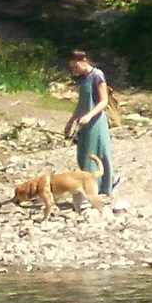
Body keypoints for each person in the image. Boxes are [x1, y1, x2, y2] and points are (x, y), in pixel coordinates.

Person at [63, 50, 120, 198]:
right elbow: (81, 104)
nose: (74, 70)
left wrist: (89, 115)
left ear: (83, 61)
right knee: (83, 155)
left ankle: (104, 185)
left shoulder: (97, 76)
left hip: (96, 121)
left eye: (75, 66)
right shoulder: (83, 79)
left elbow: (103, 101)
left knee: (97, 153)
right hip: (84, 122)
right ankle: (93, 186)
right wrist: (71, 121)